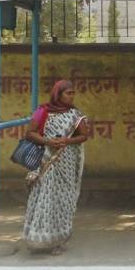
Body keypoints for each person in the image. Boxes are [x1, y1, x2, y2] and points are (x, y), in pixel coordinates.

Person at [21, 80, 91, 253]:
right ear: (57, 94)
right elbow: (29, 133)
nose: (71, 96)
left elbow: (84, 135)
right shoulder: (42, 111)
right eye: (68, 93)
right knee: (42, 198)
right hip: (46, 161)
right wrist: (48, 141)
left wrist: (67, 140)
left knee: (62, 201)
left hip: (66, 162)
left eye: (73, 93)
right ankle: (36, 240)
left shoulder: (75, 114)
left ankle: (57, 242)